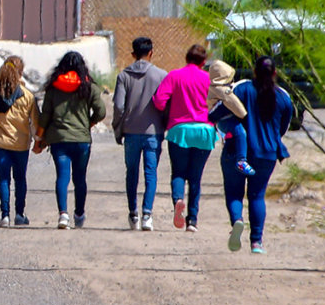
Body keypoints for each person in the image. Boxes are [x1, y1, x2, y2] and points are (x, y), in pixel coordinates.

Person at [210, 56, 293, 254]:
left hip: (236, 151)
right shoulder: (283, 97)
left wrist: (210, 118)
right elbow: (283, 127)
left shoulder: (241, 89)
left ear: (254, 71)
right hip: (266, 154)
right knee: (257, 196)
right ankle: (256, 242)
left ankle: (237, 221)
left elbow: (220, 111)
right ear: (274, 73)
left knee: (234, 193)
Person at [36, 51, 106, 230]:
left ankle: (63, 215)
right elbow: (101, 112)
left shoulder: (53, 88)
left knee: (62, 176)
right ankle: (79, 214)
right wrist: (88, 124)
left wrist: (39, 139)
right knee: (80, 178)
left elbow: (45, 116)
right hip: (82, 140)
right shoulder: (88, 87)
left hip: (59, 140)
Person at [153, 44, 217, 233]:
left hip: (180, 130)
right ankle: (192, 220)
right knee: (196, 177)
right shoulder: (208, 79)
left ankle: (178, 200)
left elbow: (159, 100)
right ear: (204, 62)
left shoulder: (175, 75)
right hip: (204, 130)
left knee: (179, 173)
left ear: (186, 58)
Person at [0, 56, 40, 228]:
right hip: (20, 144)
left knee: (3, 179)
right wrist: (39, 141)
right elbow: (35, 122)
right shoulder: (27, 97)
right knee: (20, 179)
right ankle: (20, 214)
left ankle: (5, 216)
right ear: (20, 73)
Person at [112, 37, 168, 231]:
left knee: (132, 173)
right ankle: (147, 215)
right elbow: (166, 104)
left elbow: (119, 106)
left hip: (131, 132)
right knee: (151, 173)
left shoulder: (123, 76)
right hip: (154, 132)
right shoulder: (162, 76)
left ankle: (133, 213)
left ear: (133, 54)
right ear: (151, 52)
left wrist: (118, 128)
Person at [206, 60, 254, 176]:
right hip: (226, 119)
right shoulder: (223, 91)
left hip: (218, 121)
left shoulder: (211, 88)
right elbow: (234, 103)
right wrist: (244, 115)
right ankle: (241, 160)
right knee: (240, 132)